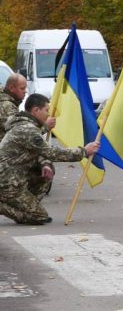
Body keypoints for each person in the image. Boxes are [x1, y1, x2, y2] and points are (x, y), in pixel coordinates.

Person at [0, 93, 100, 225]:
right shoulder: (27, 129)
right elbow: (52, 152)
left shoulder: (26, 125)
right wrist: (84, 151)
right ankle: (9, 205)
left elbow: (39, 151)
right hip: (6, 181)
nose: (49, 114)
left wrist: (45, 164)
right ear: (36, 110)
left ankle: (26, 205)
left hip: (14, 177)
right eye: (46, 110)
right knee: (40, 216)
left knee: (46, 174)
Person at [0, 73, 57, 199]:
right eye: (22, 88)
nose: (25, 92)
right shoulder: (7, 106)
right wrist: (45, 126)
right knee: (41, 164)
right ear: (11, 88)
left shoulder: (7, 101)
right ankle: (19, 200)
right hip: (8, 158)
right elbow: (21, 132)